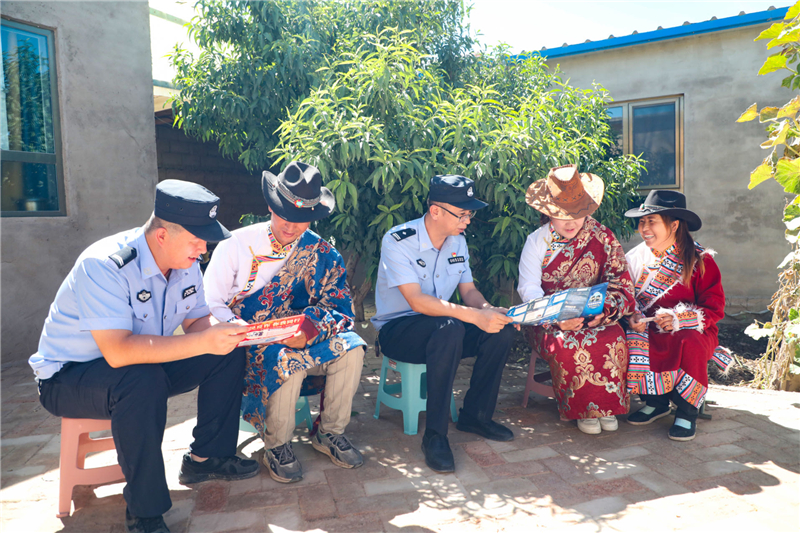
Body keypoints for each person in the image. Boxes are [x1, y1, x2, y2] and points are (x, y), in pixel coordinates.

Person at [30, 180, 259, 533]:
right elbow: (119, 351)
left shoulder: (185, 262)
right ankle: (145, 513)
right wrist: (204, 341)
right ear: (162, 235)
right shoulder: (103, 266)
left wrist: (226, 330)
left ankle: (207, 458)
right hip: (69, 377)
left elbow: (197, 321)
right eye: (197, 239)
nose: (204, 248)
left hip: (139, 364)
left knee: (227, 352)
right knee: (141, 380)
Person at [204, 161, 366, 484]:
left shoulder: (324, 254)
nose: (291, 227)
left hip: (305, 339)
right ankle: (277, 445)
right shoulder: (235, 244)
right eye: (284, 216)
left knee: (353, 347)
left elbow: (341, 309)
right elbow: (211, 303)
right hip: (250, 342)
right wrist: (244, 329)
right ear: (270, 206)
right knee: (284, 358)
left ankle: (330, 432)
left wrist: (308, 330)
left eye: (301, 220)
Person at [371, 175, 516, 474]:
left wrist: (489, 311)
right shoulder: (398, 240)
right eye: (461, 214)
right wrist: (474, 316)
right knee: (450, 327)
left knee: (499, 332)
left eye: (469, 214)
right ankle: (435, 436)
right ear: (435, 211)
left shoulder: (457, 242)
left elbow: (469, 291)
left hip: (444, 326)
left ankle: (476, 415)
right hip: (399, 330)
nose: (468, 221)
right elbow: (417, 302)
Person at [518, 164, 635, 435]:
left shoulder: (603, 237)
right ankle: (584, 410)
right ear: (548, 213)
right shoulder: (536, 242)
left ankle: (608, 406)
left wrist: (603, 313)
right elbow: (529, 289)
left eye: (578, 214)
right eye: (562, 216)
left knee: (614, 336)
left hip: (596, 316)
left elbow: (621, 283)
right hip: (548, 321)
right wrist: (556, 318)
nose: (571, 223)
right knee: (567, 344)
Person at [624, 190, 725, 441]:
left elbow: (714, 308)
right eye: (642, 222)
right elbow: (626, 297)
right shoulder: (635, 257)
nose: (644, 228)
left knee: (688, 342)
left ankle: (687, 411)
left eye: (652, 221)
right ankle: (655, 402)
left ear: (675, 225)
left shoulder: (701, 260)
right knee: (630, 338)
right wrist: (632, 316)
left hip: (694, 330)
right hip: (649, 327)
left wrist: (679, 320)